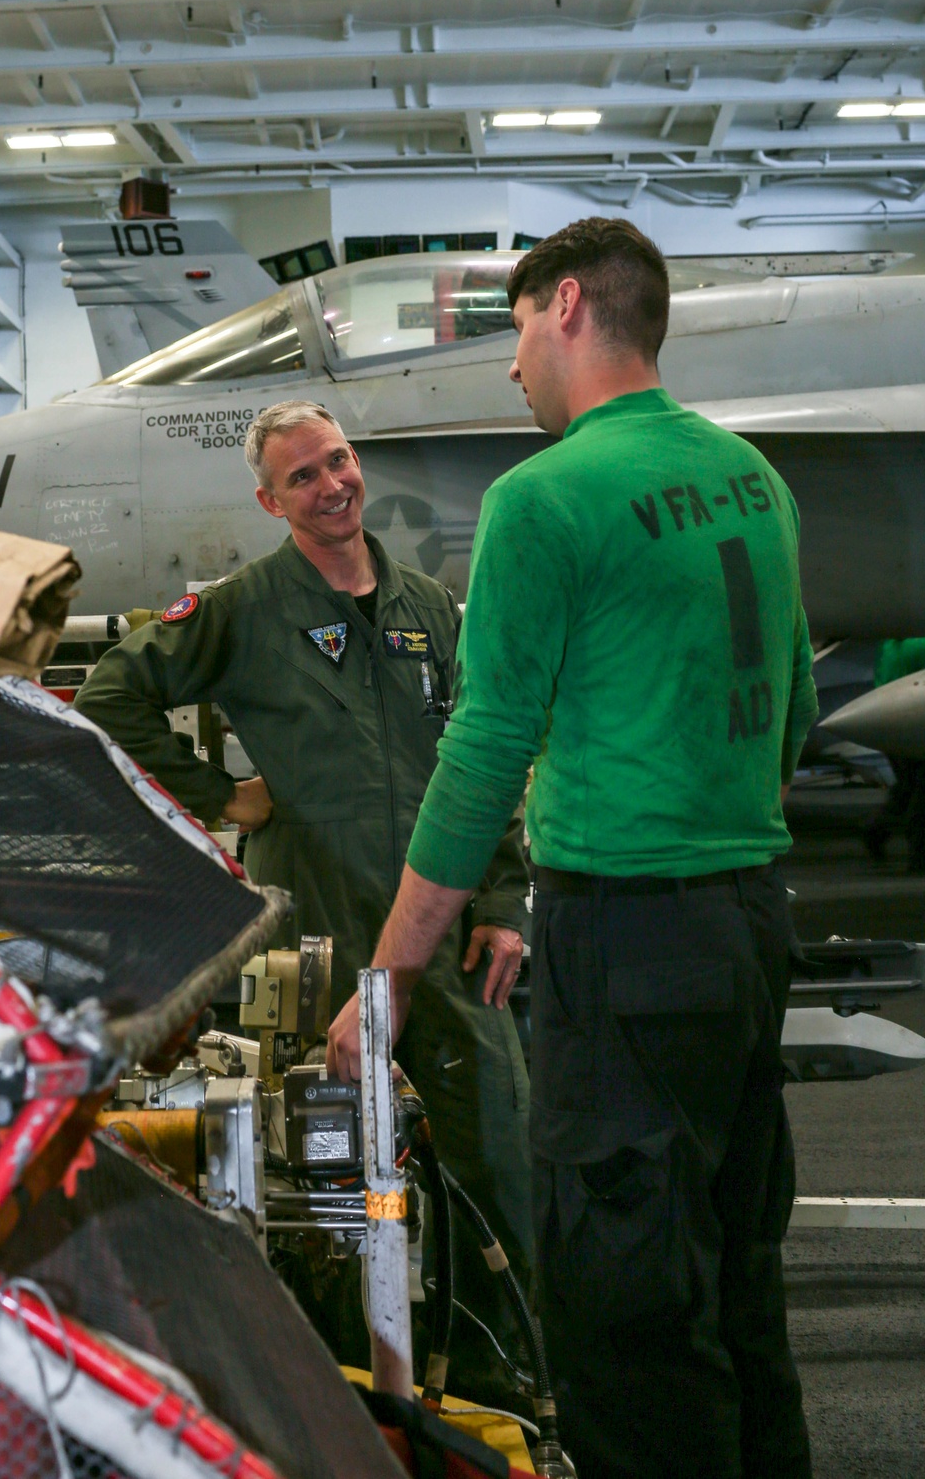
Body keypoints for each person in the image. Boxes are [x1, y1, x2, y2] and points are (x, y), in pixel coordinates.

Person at [327, 218, 819, 1478]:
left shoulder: (542, 498)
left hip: (627, 945)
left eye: (511, 333)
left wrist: (386, 976)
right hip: (750, 924)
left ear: (564, 309)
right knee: (733, 1281)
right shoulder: (751, 476)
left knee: (624, 1317)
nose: (508, 368)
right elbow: (795, 712)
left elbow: (484, 750)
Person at [74, 399, 533, 1398]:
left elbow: (487, 763)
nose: (332, 486)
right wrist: (221, 795)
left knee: (496, 1164)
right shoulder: (241, 608)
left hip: (442, 940)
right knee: (322, 1183)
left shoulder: (430, 609)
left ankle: (510, 1404)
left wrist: (502, 901)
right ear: (268, 500)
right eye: (303, 477)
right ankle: (343, 1405)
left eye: (338, 462)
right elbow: (113, 696)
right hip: (316, 944)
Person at [862, 637, 925, 873]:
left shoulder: (886, 645)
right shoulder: (921, 645)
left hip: (890, 727)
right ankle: (922, 855)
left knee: (907, 787)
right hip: (914, 727)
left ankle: (876, 832)